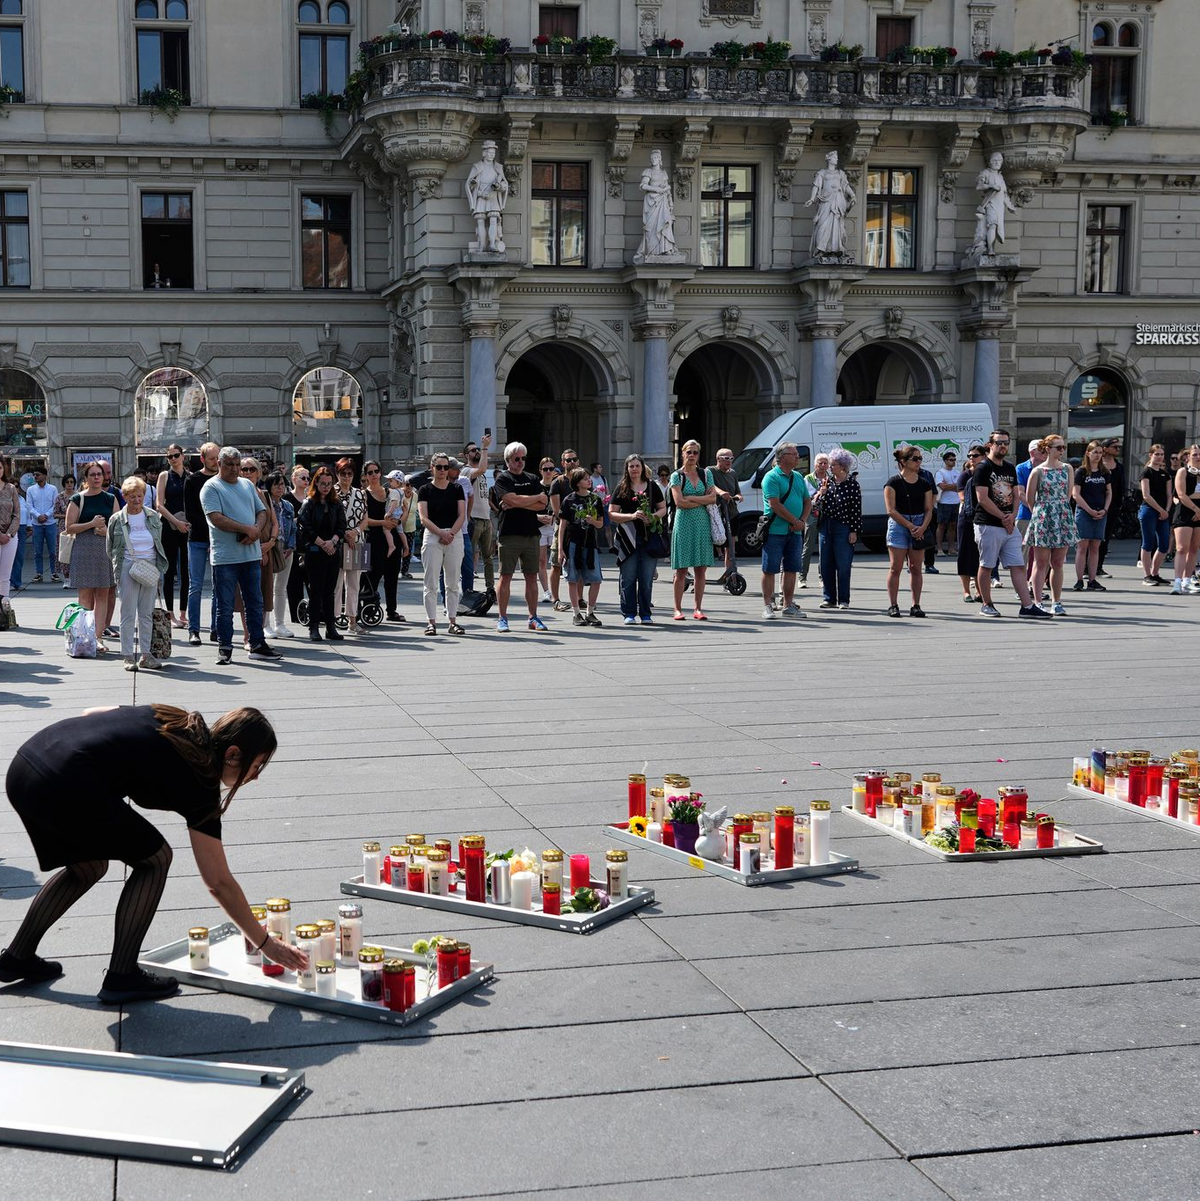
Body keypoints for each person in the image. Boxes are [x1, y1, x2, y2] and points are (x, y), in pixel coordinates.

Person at [1, 704, 307, 1003]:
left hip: (26, 766)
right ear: (233, 754)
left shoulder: (172, 717)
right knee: (156, 860)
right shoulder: (200, 784)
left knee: (89, 867)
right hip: (63, 783)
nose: (255, 776)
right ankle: (122, 975)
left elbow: (90, 714)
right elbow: (218, 882)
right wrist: (266, 944)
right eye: (256, 766)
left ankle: (16, 957)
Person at [201, 446, 282, 664]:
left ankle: (257, 644)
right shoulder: (211, 487)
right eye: (230, 464)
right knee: (225, 606)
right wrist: (247, 529)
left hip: (250, 555)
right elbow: (216, 518)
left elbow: (262, 511)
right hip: (225, 558)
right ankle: (225, 648)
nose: (235, 469)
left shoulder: (246, 485)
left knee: (255, 602)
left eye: (238, 465)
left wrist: (255, 530)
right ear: (219, 464)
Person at [973, 430, 1050, 619]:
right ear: (990, 445)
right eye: (999, 442)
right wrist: (1003, 517)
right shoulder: (983, 467)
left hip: (1009, 525)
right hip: (988, 524)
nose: (1003, 446)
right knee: (987, 565)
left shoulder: (1009, 468)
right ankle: (986, 604)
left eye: (1006, 443)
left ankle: (1027, 606)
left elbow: (1016, 495)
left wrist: (1012, 516)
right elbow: (982, 498)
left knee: (1018, 565)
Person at [107, 476, 169, 670]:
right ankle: (127, 656)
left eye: (140, 495)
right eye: (132, 496)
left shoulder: (153, 516)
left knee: (146, 613)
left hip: (150, 567)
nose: (136, 500)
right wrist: (119, 567)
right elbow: (110, 548)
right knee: (127, 613)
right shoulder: (116, 519)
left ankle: (146, 655)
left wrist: (157, 569)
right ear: (125, 497)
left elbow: (159, 543)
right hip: (128, 566)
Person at [492, 441, 551, 632]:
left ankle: (533, 617)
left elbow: (543, 504)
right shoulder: (503, 478)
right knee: (505, 576)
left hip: (531, 533)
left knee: (531, 576)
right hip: (509, 534)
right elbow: (510, 499)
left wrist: (518, 502)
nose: (520, 462)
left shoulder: (532, 478)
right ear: (508, 460)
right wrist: (531, 499)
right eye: (516, 458)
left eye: (523, 458)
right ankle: (502, 618)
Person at [64, 461, 119, 652]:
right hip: (84, 550)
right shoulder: (77, 499)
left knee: (103, 594)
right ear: (86, 478)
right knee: (85, 596)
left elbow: (118, 527)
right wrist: (91, 523)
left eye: (99, 474)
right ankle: (83, 636)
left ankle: (98, 637)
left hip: (104, 550)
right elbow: (69, 527)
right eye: (92, 474)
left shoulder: (110, 498)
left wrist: (106, 531)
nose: (96, 477)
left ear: (104, 477)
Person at [610, 454, 666, 625]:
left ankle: (645, 613)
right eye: (631, 466)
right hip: (627, 538)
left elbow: (663, 508)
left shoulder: (652, 486)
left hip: (649, 538)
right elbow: (612, 513)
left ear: (642, 468)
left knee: (646, 578)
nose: (634, 469)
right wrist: (632, 516)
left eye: (637, 466)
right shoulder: (622, 487)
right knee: (628, 578)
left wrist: (653, 517)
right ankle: (628, 613)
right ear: (627, 469)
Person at [1024, 434, 1077, 617]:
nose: (1062, 451)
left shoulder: (1067, 468)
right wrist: (1041, 514)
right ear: (1047, 449)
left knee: (1058, 562)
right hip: (1043, 517)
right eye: (1058, 447)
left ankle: (1057, 601)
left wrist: (1059, 510)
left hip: (1062, 515)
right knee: (1040, 562)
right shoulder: (1038, 471)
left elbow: (1068, 495)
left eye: (1063, 447)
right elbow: (1030, 499)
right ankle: (1038, 602)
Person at [757, 441, 810, 621]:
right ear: (782, 457)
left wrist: (802, 521)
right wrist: (795, 521)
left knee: (791, 569)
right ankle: (767, 606)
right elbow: (775, 505)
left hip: (795, 531)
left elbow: (807, 501)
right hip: (775, 531)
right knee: (769, 569)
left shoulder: (798, 477)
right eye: (793, 454)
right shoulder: (771, 477)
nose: (797, 457)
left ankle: (788, 605)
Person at [670, 440, 720, 622]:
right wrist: (701, 499)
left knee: (700, 570)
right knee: (681, 570)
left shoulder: (706, 474)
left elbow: (713, 498)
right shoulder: (677, 476)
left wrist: (690, 497)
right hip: (683, 524)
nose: (692, 455)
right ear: (683, 453)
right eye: (689, 452)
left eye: (695, 452)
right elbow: (679, 502)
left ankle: (698, 608)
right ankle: (677, 609)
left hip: (702, 524)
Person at [418, 453, 467, 636]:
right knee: (430, 582)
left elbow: (462, 515)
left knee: (453, 582)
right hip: (433, 536)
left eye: (446, 467)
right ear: (432, 468)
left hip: (454, 535)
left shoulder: (456, 488)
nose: (442, 470)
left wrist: (450, 534)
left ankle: (452, 621)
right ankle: (431, 622)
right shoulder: (425, 489)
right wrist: (441, 533)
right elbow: (423, 518)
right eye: (439, 467)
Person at [883, 446, 935, 618]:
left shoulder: (925, 483)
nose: (919, 462)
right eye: (915, 459)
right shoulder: (893, 483)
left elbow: (929, 509)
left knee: (916, 567)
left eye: (920, 458)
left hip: (919, 523)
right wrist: (910, 526)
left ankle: (916, 605)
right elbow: (891, 510)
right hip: (899, 525)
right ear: (903, 462)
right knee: (895, 567)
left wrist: (922, 527)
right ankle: (893, 605)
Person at [297, 465, 346, 640]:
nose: (326, 487)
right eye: (323, 483)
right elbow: (305, 526)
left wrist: (332, 542)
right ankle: (314, 627)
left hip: (332, 550)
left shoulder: (336, 503)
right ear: (316, 483)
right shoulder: (309, 503)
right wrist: (321, 542)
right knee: (316, 590)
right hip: (315, 551)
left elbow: (342, 526)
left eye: (329, 483)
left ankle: (331, 627)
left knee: (330, 591)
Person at [559, 467, 605, 626]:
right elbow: (562, 525)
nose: (589, 480)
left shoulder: (595, 499)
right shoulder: (569, 500)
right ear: (577, 482)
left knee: (596, 579)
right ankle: (576, 613)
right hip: (572, 543)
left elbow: (600, 524)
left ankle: (590, 612)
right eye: (585, 478)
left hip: (590, 544)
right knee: (573, 579)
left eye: (588, 478)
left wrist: (593, 521)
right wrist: (560, 549)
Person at [185, 442, 220, 647]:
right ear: (203, 459)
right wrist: (209, 533)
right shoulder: (192, 480)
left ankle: (216, 628)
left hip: (219, 539)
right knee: (195, 585)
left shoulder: (221, 479)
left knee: (218, 585)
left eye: (217, 458)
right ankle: (194, 629)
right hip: (198, 538)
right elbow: (191, 512)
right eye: (212, 458)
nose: (216, 462)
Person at [817, 448, 861, 610]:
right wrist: (820, 494)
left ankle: (844, 599)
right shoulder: (827, 482)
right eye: (830, 464)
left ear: (843, 466)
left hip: (843, 526)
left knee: (843, 564)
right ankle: (829, 598)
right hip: (826, 525)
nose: (830, 467)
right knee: (825, 563)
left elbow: (856, 509)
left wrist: (854, 531)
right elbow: (817, 505)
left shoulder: (852, 484)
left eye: (833, 464)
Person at [364, 461, 406, 622]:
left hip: (393, 536)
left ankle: (392, 610)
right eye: (370, 472)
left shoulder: (391, 491)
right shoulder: (364, 494)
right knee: (373, 576)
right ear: (366, 475)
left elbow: (405, 509)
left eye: (376, 471)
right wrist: (383, 523)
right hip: (374, 538)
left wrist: (399, 521)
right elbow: (364, 521)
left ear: (381, 473)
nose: (374, 474)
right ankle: (369, 609)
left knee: (392, 576)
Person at [1071, 441, 1111, 593]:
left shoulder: (1104, 472)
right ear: (1088, 453)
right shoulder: (1081, 472)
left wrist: (1105, 509)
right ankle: (1079, 580)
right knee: (1082, 547)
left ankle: (1092, 580)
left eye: (1100, 453)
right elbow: (1076, 494)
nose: (1098, 455)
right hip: (1084, 512)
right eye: (1095, 452)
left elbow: (1109, 492)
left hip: (1100, 512)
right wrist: (1089, 510)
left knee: (1095, 547)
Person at [334, 458, 367, 635]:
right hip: (337, 542)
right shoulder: (331, 492)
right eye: (343, 473)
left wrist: (355, 532)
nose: (346, 477)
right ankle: (333, 620)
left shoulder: (361, 493)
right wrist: (345, 534)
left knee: (354, 584)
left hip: (357, 542)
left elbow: (365, 519)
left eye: (350, 473)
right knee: (336, 583)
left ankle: (352, 621)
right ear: (337, 474)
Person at [264, 471, 295, 638]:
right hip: (270, 546)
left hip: (285, 547)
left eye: (282, 484)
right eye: (276, 484)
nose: (280, 487)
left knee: (281, 587)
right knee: (267, 587)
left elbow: (294, 529)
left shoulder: (288, 505)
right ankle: (265, 624)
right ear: (270, 486)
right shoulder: (264, 504)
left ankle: (280, 624)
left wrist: (291, 546)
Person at [548, 448, 580, 612]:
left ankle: (580, 599)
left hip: (580, 529)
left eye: (574, 459)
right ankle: (555, 599)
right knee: (556, 564)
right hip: (561, 528)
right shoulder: (558, 482)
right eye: (568, 460)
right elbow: (556, 510)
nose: (572, 462)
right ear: (563, 463)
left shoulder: (582, 480)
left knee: (579, 563)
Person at [1139, 444, 1174, 585]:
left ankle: (1155, 573)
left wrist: (1166, 510)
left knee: (1164, 544)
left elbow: (1169, 495)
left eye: (1161, 454)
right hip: (1148, 510)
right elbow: (1146, 495)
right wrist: (1160, 510)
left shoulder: (1166, 474)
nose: (1159, 457)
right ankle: (1147, 575)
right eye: (1157, 454)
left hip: (1163, 512)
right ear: (1151, 455)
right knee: (1148, 543)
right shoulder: (1146, 472)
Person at [956, 446, 987, 602]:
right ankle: (966, 591)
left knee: (980, 555)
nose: (972, 458)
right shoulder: (965, 475)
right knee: (965, 554)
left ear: (984, 456)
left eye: (975, 455)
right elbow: (962, 497)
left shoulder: (988, 473)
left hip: (984, 518)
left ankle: (980, 591)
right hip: (967, 518)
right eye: (969, 455)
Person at [708, 449, 743, 584]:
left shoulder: (733, 473)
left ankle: (730, 575)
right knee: (711, 544)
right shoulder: (710, 471)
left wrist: (739, 496)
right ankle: (700, 576)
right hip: (716, 513)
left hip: (731, 513)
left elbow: (737, 491)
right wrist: (721, 492)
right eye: (726, 458)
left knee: (730, 546)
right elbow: (710, 485)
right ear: (718, 459)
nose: (729, 461)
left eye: (731, 458)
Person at [1170, 444, 1200, 595]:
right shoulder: (1183, 471)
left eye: (1199, 454)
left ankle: (1187, 580)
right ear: (1188, 457)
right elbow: (1181, 494)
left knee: (1194, 548)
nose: (1198, 457)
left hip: (1199, 511)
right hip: (1186, 511)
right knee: (1182, 548)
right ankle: (1177, 582)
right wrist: (1196, 509)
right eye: (1195, 454)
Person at [1015, 437, 1046, 578]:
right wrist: (1035, 510)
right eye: (1042, 450)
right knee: (1023, 551)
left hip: (1045, 515)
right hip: (1026, 515)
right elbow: (1020, 493)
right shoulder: (1021, 468)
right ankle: (1021, 582)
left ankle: (1037, 581)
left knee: (1043, 551)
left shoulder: (1049, 468)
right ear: (1032, 453)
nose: (1045, 453)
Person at [1095, 437, 1125, 578]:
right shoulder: (1098, 465)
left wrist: (1119, 505)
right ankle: (1086, 568)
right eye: (1115, 447)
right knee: (1092, 539)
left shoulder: (1119, 467)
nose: (1118, 449)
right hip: (1096, 506)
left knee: (1105, 538)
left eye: (1119, 447)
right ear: (1105, 449)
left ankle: (1098, 567)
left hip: (1113, 507)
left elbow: (1121, 487)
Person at [445, 458, 476, 595]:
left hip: (463, 532)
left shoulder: (464, 481)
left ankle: (468, 598)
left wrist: (468, 515)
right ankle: (446, 601)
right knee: (446, 570)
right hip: (445, 532)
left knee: (468, 568)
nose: (459, 471)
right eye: (455, 469)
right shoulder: (440, 483)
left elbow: (471, 496)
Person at [285, 464, 310, 625]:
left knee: (311, 579)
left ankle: (315, 611)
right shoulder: (288, 498)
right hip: (294, 543)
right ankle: (297, 614)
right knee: (294, 581)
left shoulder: (312, 497)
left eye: (308, 478)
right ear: (294, 479)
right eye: (303, 478)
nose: (306, 480)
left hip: (310, 542)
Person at [799, 453, 827, 589]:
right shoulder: (808, 479)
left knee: (824, 547)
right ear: (815, 464)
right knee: (808, 546)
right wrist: (817, 495)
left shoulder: (830, 479)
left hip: (826, 515)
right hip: (811, 514)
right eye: (820, 463)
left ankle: (823, 578)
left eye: (825, 463)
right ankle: (802, 577)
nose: (823, 465)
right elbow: (804, 497)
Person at [26, 465, 59, 583]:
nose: (35, 476)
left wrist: (46, 515)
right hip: (37, 523)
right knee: (37, 551)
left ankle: (54, 572)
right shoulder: (30, 490)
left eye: (38, 474)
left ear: (45, 476)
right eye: (34, 474)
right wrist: (38, 516)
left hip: (50, 523)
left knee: (53, 550)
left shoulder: (53, 489)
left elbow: (55, 504)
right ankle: (39, 573)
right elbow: (29, 505)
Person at [0, 456, 21, 609]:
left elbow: (17, 514)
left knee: (5, 574)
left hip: (10, 536)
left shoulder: (11, 488)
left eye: (0, 468)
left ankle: (4, 607)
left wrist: (8, 534)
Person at [537, 459, 558, 601]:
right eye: (545, 469)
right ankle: (546, 591)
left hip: (555, 524)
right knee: (542, 560)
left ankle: (556, 593)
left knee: (557, 561)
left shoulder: (558, 485)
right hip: (541, 526)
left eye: (551, 468)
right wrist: (537, 517)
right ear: (541, 471)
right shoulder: (536, 486)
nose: (549, 472)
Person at [934, 451, 961, 558]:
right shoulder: (940, 472)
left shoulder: (957, 473)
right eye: (951, 460)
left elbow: (960, 487)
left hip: (956, 502)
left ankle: (951, 549)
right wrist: (954, 486)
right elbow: (942, 486)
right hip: (944, 502)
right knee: (941, 525)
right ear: (945, 461)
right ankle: (939, 549)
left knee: (952, 525)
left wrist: (949, 486)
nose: (953, 462)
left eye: (954, 460)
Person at [53, 473, 75, 588]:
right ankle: (66, 578)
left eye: (71, 482)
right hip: (63, 527)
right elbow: (55, 513)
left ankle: (75, 577)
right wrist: (67, 516)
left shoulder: (78, 496)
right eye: (67, 482)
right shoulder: (60, 497)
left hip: (76, 526)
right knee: (65, 552)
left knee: (75, 552)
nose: (69, 484)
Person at [396, 471, 418, 576]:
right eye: (408, 484)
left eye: (412, 485)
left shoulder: (415, 495)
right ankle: (395, 570)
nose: (410, 487)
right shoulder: (399, 494)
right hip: (399, 527)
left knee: (407, 550)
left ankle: (405, 570)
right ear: (403, 484)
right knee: (397, 550)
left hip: (411, 527)